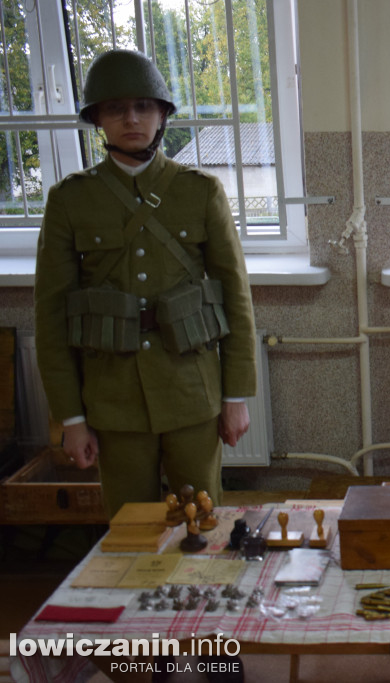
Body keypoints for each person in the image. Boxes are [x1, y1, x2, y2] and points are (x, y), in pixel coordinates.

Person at [34, 49, 257, 520]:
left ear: (161, 115)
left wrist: (235, 397)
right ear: (98, 118)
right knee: (129, 530)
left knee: (202, 522)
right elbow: (52, 318)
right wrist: (71, 419)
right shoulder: (71, 200)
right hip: (114, 401)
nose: (131, 119)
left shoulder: (200, 191)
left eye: (143, 106)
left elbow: (235, 299)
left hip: (192, 393)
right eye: (115, 109)